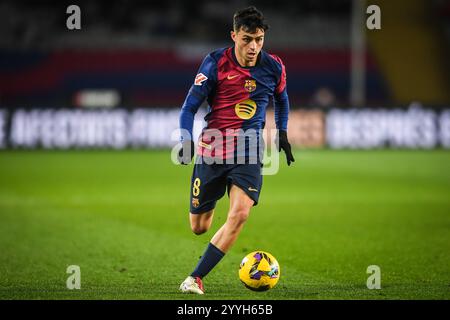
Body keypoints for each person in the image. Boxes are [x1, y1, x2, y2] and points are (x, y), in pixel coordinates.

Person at [177, 6, 294, 294]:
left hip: (250, 150)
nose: (253, 47)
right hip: (213, 148)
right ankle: (211, 206)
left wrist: (282, 133)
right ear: (234, 36)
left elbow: (282, 100)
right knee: (199, 226)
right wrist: (185, 140)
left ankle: (195, 277)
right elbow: (190, 106)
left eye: (259, 39)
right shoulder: (215, 62)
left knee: (240, 213)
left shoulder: (274, 66)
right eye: (246, 39)